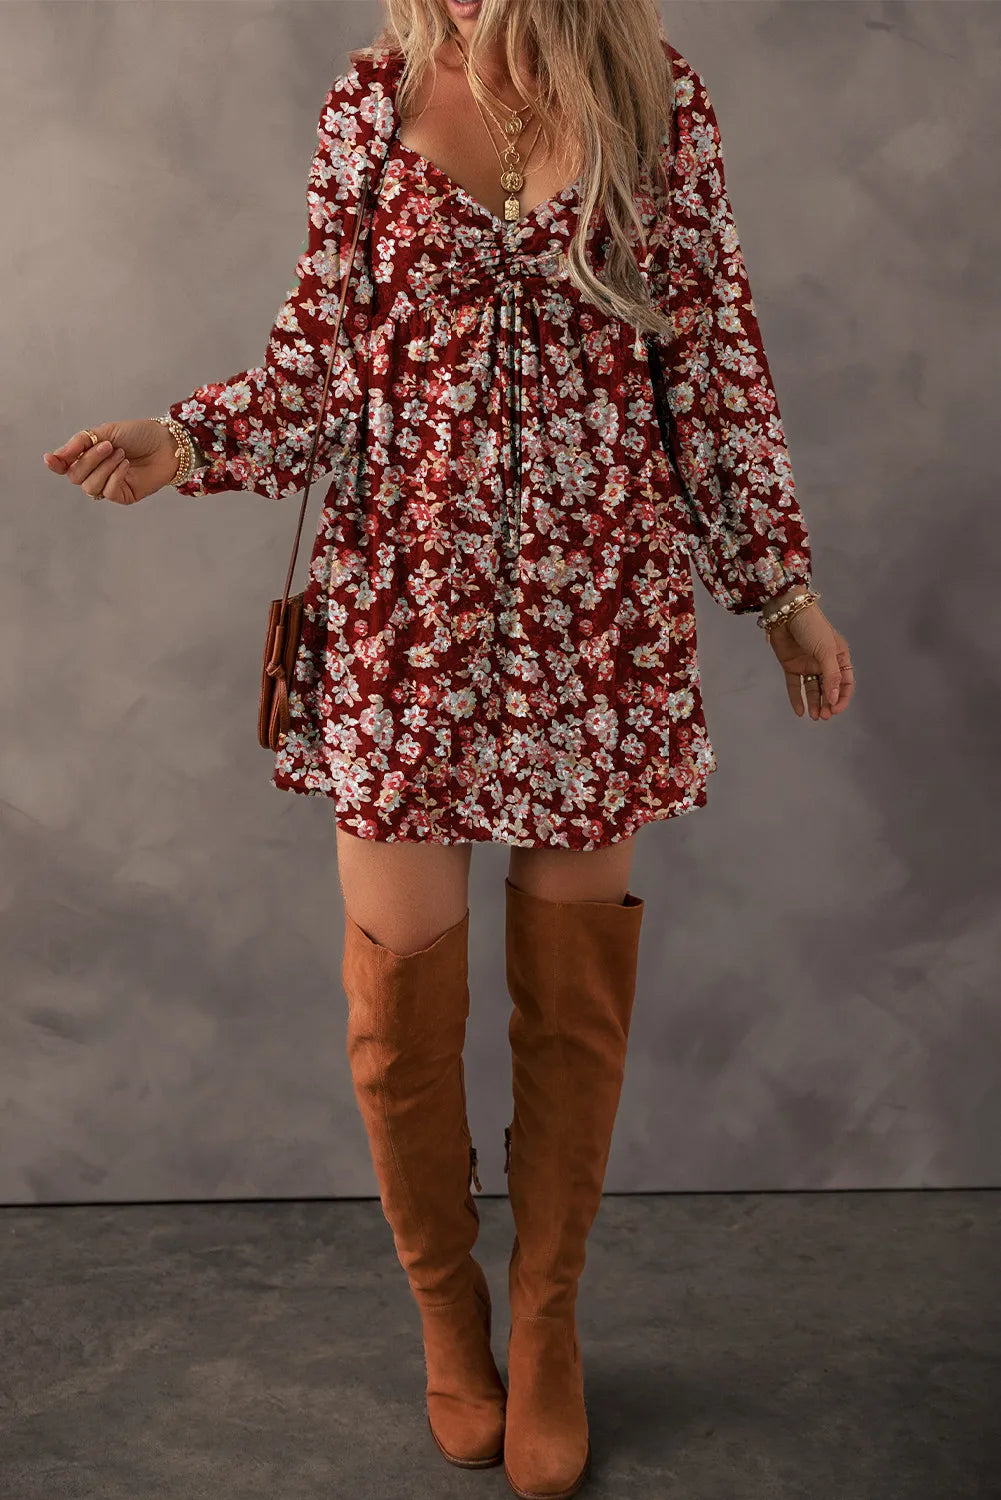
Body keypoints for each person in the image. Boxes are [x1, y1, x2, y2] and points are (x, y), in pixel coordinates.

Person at [42, 1, 855, 1494]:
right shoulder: (369, 105)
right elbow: (318, 372)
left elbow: (711, 367)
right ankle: (446, 1314)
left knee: (573, 1005)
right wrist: (187, 439)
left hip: (594, 620)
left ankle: (546, 1321)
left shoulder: (656, 101)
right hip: (401, 617)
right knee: (397, 1021)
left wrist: (780, 593)